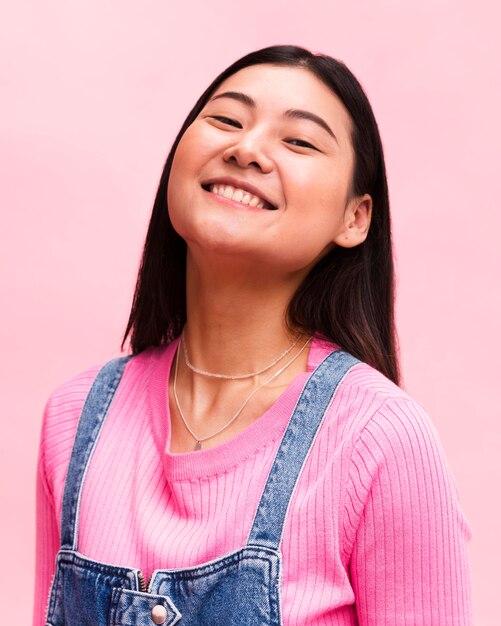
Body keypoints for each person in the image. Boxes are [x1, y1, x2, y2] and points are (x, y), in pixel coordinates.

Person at [34, 45, 473, 625]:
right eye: (225, 120)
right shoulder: (75, 418)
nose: (246, 149)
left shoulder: (379, 440)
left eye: (299, 142)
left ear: (355, 218)